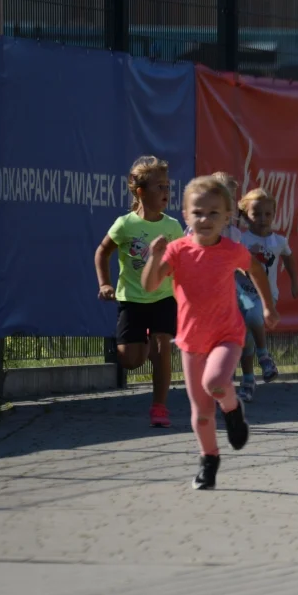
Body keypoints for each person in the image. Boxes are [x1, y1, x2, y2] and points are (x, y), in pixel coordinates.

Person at [141, 176, 280, 490]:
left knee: (215, 382)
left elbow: (255, 269)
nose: (205, 219)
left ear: (228, 217)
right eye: (198, 212)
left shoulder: (232, 250)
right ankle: (209, 459)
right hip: (191, 342)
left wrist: (268, 307)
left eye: (214, 213)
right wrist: (154, 257)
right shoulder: (177, 251)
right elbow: (150, 285)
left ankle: (232, 409)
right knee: (202, 413)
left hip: (227, 336)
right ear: (186, 215)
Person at [94, 156, 183, 428]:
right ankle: (142, 346)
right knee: (129, 360)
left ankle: (159, 407)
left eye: (168, 187)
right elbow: (102, 251)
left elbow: (181, 264)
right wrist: (105, 284)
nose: (166, 193)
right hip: (131, 299)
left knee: (163, 349)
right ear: (140, 191)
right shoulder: (125, 224)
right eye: (159, 187)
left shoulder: (172, 226)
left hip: (163, 297)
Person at [207, 172, 278, 403]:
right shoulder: (197, 231)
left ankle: (250, 375)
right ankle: (213, 386)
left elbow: (247, 267)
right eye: (219, 197)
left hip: (236, 294)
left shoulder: (236, 234)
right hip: (209, 299)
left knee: (249, 327)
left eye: (229, 198)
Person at [238, 189, 298, 375]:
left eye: (267, 214)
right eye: (256, 214)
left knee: (254, 317)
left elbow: (289, 258)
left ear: (274, 214)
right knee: (244, 339)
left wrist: (294, 282)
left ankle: (264, 355)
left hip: (267, 295)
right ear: (245, 216)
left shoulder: (279, 241)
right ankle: (248, 380)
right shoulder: (241, 240)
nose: (262, 219)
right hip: (244, 294)